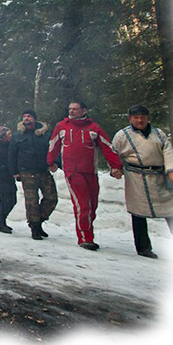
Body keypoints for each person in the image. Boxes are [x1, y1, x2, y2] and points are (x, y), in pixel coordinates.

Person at [111, 105, 173, 259]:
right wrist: (115, 168)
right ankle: (143, 247)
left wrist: (171, 171)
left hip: (160, 177)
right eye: (136, 117)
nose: (140, 120)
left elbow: (168, 151)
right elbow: (113, 153)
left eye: (143, 117)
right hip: (136, 178)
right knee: (138, 213)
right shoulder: (122, 135)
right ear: (130, 118)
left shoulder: (158, 133)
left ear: (148, 118)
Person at [47, 101, 123, 251]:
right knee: (83, 205)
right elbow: (53, 144)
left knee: (92, 205)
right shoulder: (62, 126)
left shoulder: (94, 128)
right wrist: (50, 162)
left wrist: (116, 166)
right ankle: (85, 238)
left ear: (84, 111)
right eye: (70, 109)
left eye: (75, 109)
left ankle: (87, 231)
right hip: (72, 171)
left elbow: (107, 147)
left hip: (90, 171)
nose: (72, 111)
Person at [8, 110, 57, 241]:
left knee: (51, 198)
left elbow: (54, 149)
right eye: (24, 116)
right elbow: (12, 154)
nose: (26, 118)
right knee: (31, 201)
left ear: (34, 119)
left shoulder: (45, 134)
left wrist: (55, 163)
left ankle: (39, 220)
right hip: (26, 171)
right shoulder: (18, 135)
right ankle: (34, 227)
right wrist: (14, 171)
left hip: (43, 170)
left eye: (29, 116)